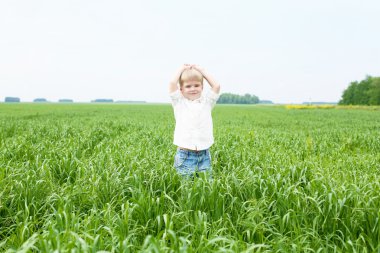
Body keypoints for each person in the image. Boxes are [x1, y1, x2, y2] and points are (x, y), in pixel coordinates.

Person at [169, 64, 221, 179]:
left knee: (207, 186)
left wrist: (202, 70)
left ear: (202, 87)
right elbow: (172, 84)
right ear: (181, 90)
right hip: (185, 155)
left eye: (197, 85)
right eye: (188, 86)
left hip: (204, 154)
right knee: (186, 187)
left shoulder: (207, 103)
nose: (193, 89)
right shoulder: (179, 103)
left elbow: (216, 86)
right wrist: (181, 69)